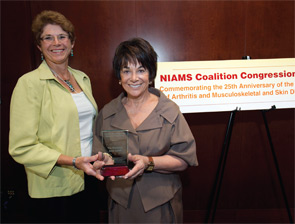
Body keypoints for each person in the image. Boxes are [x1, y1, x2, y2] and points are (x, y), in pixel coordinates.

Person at [92, 37, 198, 223]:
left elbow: (183, 160)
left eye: (141, 70)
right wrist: (102, 163)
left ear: (150, 74)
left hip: (160, 206)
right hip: (120, 205)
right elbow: (99, 156)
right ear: (119, 76)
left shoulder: (169, 110)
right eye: (127, 71)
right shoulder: (107, 113)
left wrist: (148, 162)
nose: (134, 78)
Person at [9, 10, 101, 223]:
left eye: (62, 36)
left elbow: (87, 129)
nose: (56, 42)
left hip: (90, 178)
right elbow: (21, 147)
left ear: (72, 43)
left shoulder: (82, 78)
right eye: (48, 37)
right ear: (39, 46)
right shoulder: (29, 83)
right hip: (54, 188)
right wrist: (74, 161)